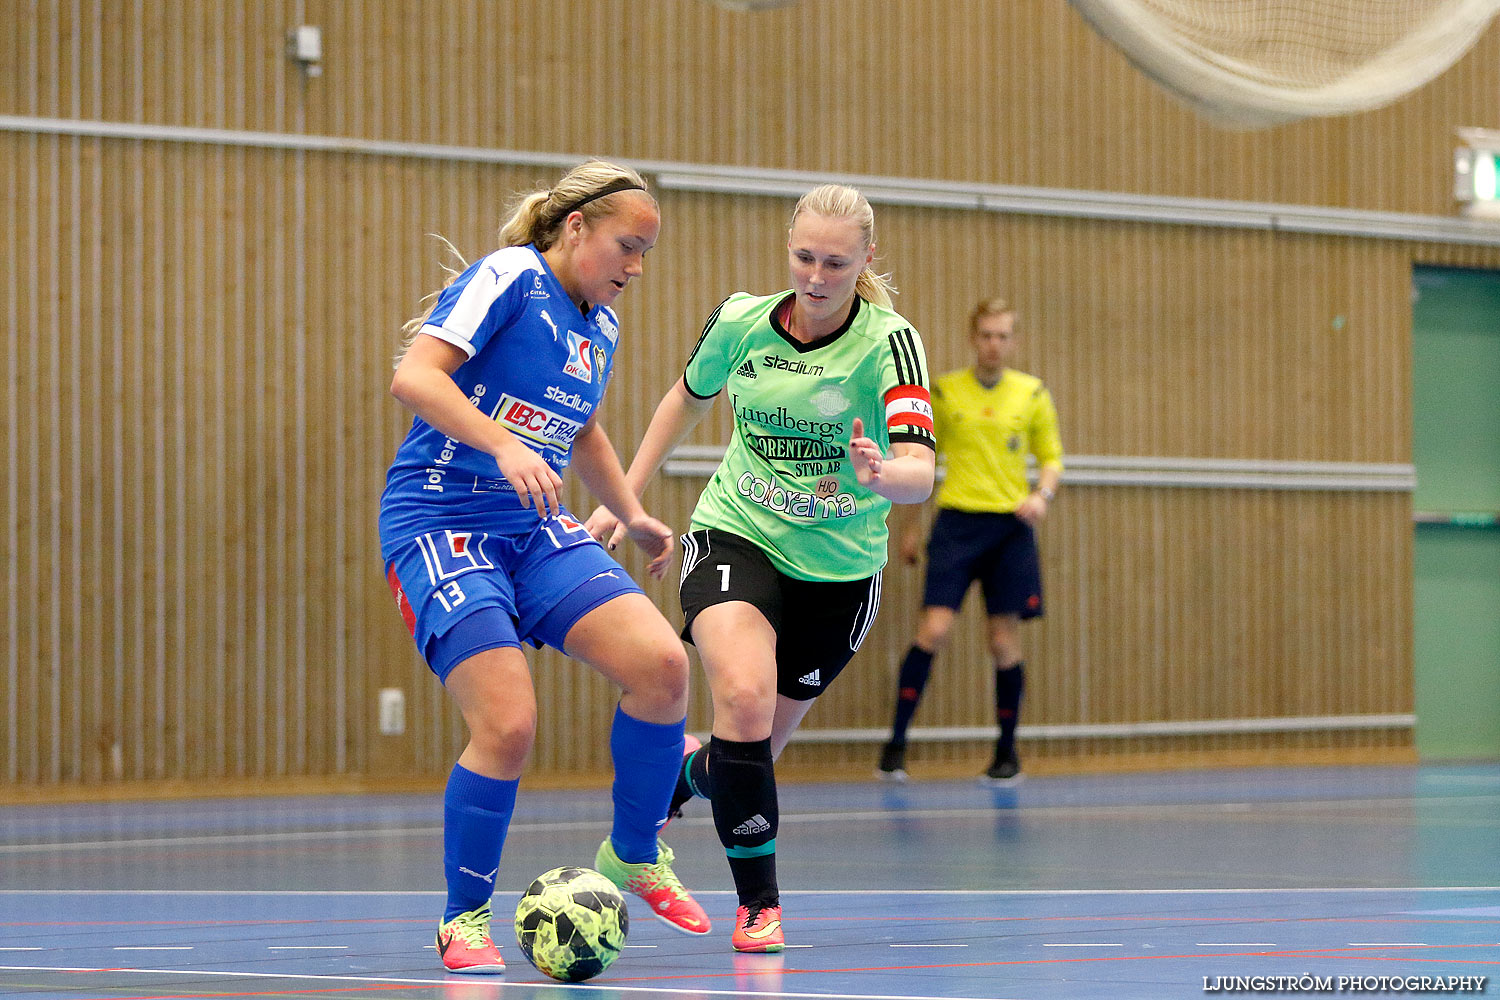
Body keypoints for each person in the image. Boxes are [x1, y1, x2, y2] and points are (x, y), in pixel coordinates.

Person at [378, 160, 709, 975]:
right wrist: (500, 442)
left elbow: (583, 429)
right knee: (509, 727)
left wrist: (629, 513)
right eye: (627, 247)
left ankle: (634, 851)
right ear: (575, 229)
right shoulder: (510, 277)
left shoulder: (599, 324)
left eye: (646, 255)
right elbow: (414, 377)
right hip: (441, 523)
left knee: (663, 665)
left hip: (532, 529)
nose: (636, 268)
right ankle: (463, 921)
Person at [586, 184, 936, 953]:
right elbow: (685, 397)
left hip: (839, 575)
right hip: (735, 533)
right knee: (740, 700)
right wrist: (625, 496)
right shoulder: (743, 319)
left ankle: (666, 798)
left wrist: (883, 476)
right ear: (789, 248)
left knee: (745, 758)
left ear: (866, 261)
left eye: (836, 263)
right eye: (804, 256)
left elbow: (922, 470)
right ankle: (759, 907)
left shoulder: (889, 342)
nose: (816, 276)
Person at [874, 298, 1063, 785]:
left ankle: (1006, 752)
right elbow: (922, 459)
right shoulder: (945, 391)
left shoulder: (1033, 394)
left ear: (1013, 341)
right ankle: (895, 747)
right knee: (933, 630)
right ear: (973, 337)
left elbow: (1051, 458)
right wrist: (912, 528)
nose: (994, 344)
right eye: (986, 335)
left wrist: (1041, 494)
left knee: (1003, 641)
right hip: (957, 524)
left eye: (1003, 335)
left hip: (1009, 530)